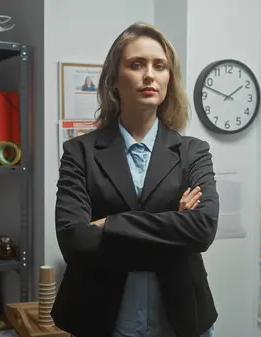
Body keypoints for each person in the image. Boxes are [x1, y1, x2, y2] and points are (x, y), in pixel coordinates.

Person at [52, 22, 219, 337]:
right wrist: (173, 227)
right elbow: (75, 240)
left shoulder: (193, 152)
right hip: (101, 317)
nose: (149, 75)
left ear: (169, 78)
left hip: (180, 317)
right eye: (136, 64)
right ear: (115, 79)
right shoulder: (80, 153)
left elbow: (203, 229)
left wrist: (109, 225)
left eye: (160, 66)